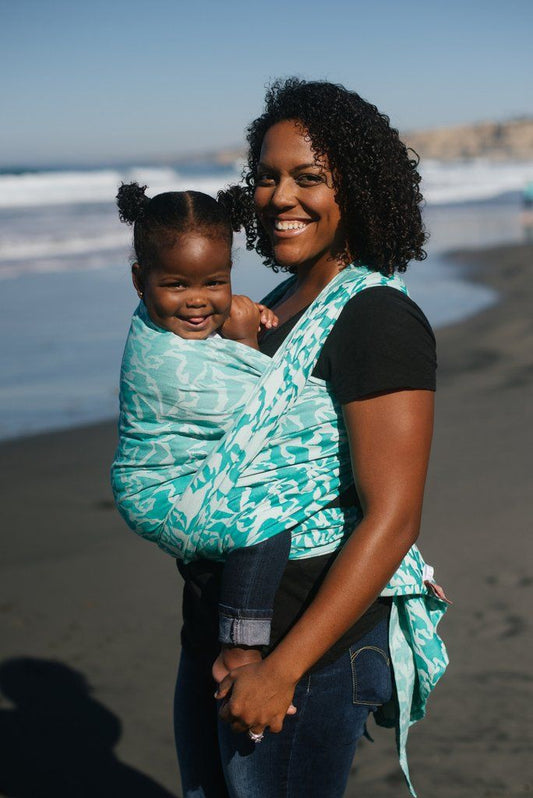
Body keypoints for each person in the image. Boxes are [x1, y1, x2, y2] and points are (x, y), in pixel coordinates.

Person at [174, 78, 448, 798]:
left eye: (309, 177)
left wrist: (281, 669)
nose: (279, 196)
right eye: (266, 177)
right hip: (224, 634)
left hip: (307, 653)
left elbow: (392, 515)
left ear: (353, 189)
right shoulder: (274, 305)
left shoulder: (373, 316)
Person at [112, 183, 295, 679]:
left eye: (214, 282)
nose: (197, 303)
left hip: (195, 485)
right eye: (176, 285)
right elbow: (263, 418)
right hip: (162, 490)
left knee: (209, 574)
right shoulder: (158, 356)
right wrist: (245, 340)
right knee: (265, 526)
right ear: (139, 280)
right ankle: (239, 648)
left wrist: (235, 320)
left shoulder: (177, 321)